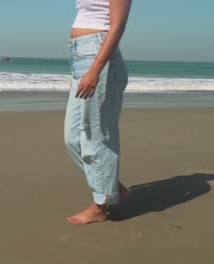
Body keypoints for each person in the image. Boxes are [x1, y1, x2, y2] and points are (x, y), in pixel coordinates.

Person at [64, 0, 132, 224]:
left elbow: (118, 26)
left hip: (99, 56)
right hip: (80, 55)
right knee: (72, 138)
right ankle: (112, 188)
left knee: (97, 137)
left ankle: (100, 207)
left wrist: (95, 70)